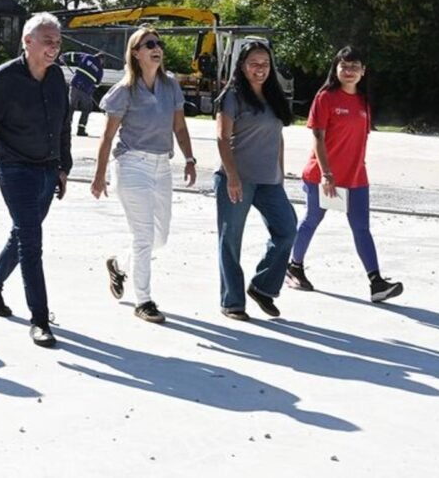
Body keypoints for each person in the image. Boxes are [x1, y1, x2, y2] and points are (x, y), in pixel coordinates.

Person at [0, 12, 71, 348]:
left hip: (47, 168)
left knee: (21, 234)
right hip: (14, 167)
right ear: (27, 41)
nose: (54, 47)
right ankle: (40, 319)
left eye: (57, 41)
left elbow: (62, 126)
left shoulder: (56, 79)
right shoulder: (4, 79)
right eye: (47, 40)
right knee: (31, 241)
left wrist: (63, 167)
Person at [90, 27, 197, 324]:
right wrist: (99, 175)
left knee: (159, 239)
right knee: (143, 236)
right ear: (135, 53)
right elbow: (107, 137)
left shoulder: (171, 86)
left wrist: (189, 159)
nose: (157, 47)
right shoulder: (124, 91)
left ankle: (118, 264)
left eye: (159, 43)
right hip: (131, 165)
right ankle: (144, 300)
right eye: (149, 44)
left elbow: (179, 127)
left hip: (162, 166)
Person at [286, 45, 404, 302]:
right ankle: (293, 267)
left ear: (363, 71)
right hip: (324, 176)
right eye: (344, 66)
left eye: (354, 66)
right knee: (311, 220)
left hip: (355, 178)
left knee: (362, 228)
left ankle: (376, 283)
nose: (349, 71)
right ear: (336, 68)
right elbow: (318, 137)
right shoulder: (325, 98)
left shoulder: (363, 102)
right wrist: (327, 174)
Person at [214, 40, 296, 320]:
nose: (260, 69)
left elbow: (278, 136)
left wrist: (281, 173)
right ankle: (232, 302)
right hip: (238, 178)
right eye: (254, 64)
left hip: (269, 180)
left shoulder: (274, 95)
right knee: (231, 240)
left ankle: (262, 287)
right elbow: (222, 137)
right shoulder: (233, 96)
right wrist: (232, 176)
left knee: (287, 229)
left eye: (265, 64)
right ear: (242, 66)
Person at [60, 50, 104, 136]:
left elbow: (73, 55)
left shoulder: (87, 57)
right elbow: (97, 85)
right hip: (86, 91)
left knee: (71, 107)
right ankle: (81, 130)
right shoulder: (99, 70)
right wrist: (90, 91)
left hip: (75, 85)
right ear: (102, 60)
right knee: (86, 109)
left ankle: (65, 128)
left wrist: (64, 57)